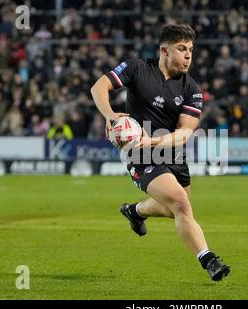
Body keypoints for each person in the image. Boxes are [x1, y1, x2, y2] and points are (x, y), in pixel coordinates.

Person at [90, 24, 230, 281]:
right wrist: (110, 116)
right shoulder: (137, 68)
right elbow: (98, 87)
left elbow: (186, 132)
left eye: (191, 50)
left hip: (170, 152)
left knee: (173, 209)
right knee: (179, 202)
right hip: (139, 154)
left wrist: (152, 142)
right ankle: (209, 260)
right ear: (164, 50)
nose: (188, 55)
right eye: (182, 49)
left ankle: (135, 211)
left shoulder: (191, 89)